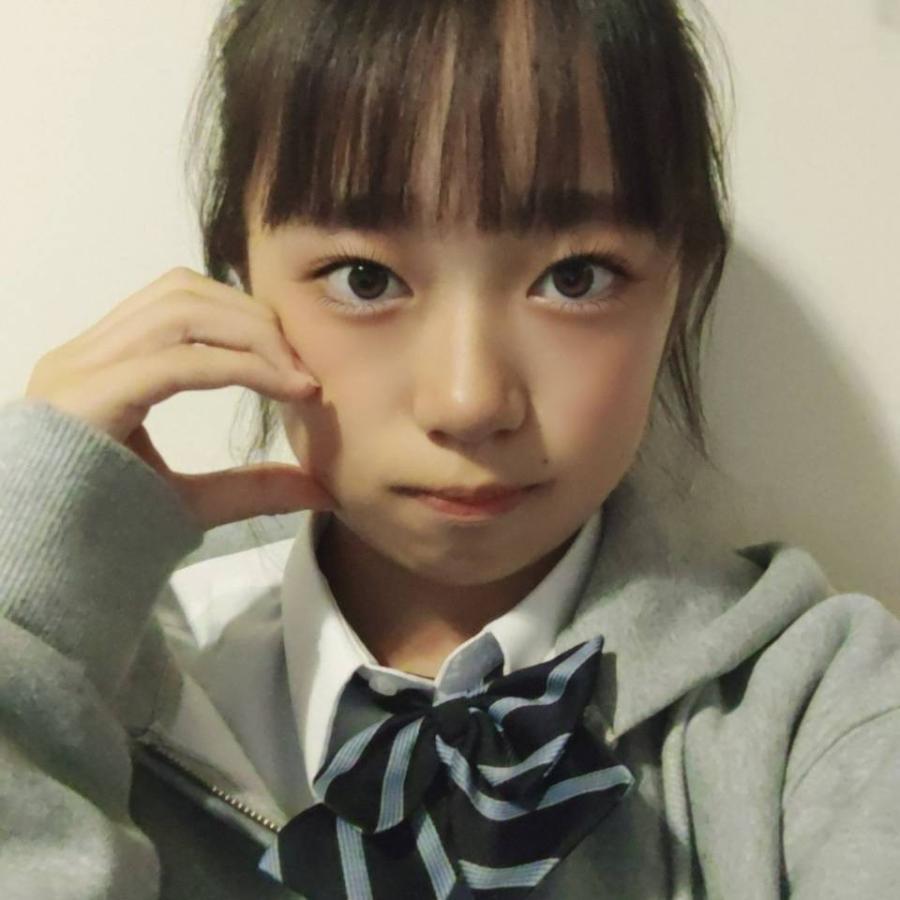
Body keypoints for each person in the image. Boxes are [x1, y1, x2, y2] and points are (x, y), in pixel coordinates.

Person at [1, 1, 898, 898]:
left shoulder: (826, 714)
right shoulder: (91, 679)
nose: (469, 403)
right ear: (239, 276)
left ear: (679, 282)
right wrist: (24, 618)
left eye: (575, 277)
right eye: (365, 279)